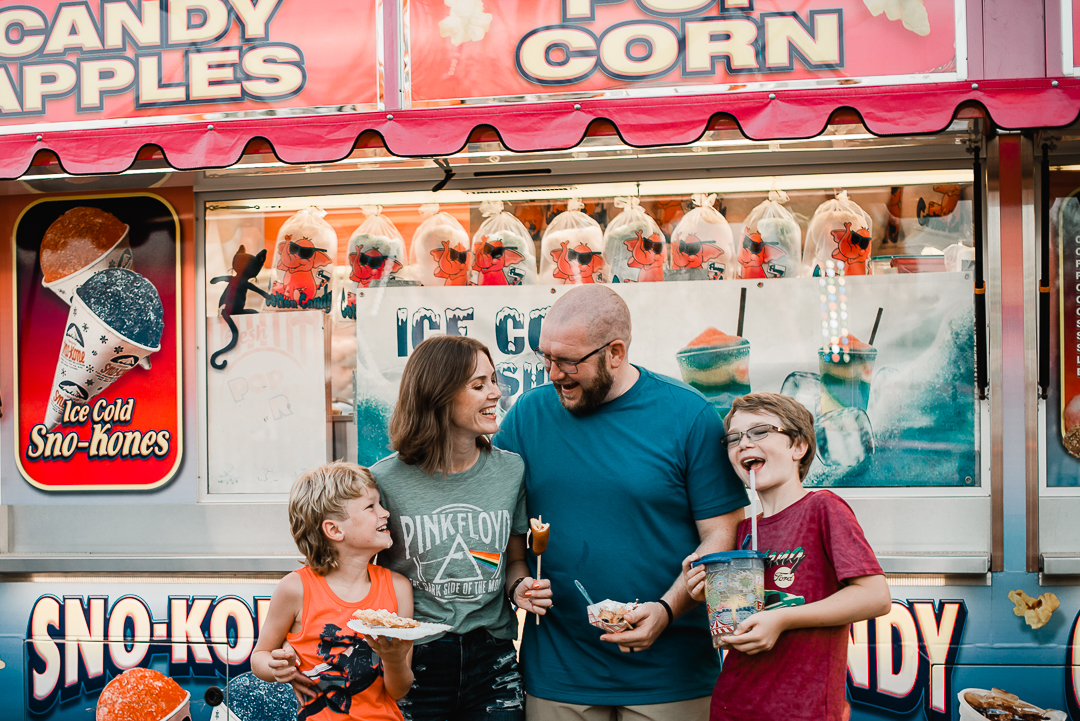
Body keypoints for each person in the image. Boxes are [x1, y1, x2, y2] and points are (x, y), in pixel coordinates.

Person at [493, 285, 749, 721]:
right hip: (559, 673)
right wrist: (518, 584)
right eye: (546, 358)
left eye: (569, 361)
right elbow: (508, 533)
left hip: (671, 675)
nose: (553, 373)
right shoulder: (526, 417)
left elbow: (720, 540)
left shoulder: (688, 415)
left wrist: (667, 611)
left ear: (615, 352)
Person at [371, 334, 553, 721]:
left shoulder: (511, 470)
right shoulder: (382, 481)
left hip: (493, 657)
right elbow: (359, 573)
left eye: (493, 380)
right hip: (414, 658)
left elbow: (515, 559)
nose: (495, 393)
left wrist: (520, 587)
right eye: (478, 385)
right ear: (438, 394)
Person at [683, 392, 892, 721]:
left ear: (799, 446)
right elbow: (736, 626)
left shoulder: (823, 509)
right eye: (734, 437)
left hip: (803, 709)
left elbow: (876, 597)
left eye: (760, 431)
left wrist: (782, 619)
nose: (744, 443)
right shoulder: (742, 531)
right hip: (732, 706)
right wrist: (703, 590)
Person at [251, 461, 414, 721]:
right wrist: (276, 668)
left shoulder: (399, 588)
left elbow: (398, 690)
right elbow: (260, 656)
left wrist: (394, 661)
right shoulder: (295, 589)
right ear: (334, 530)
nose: (385, 513)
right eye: (371, 506)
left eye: (380, 503)